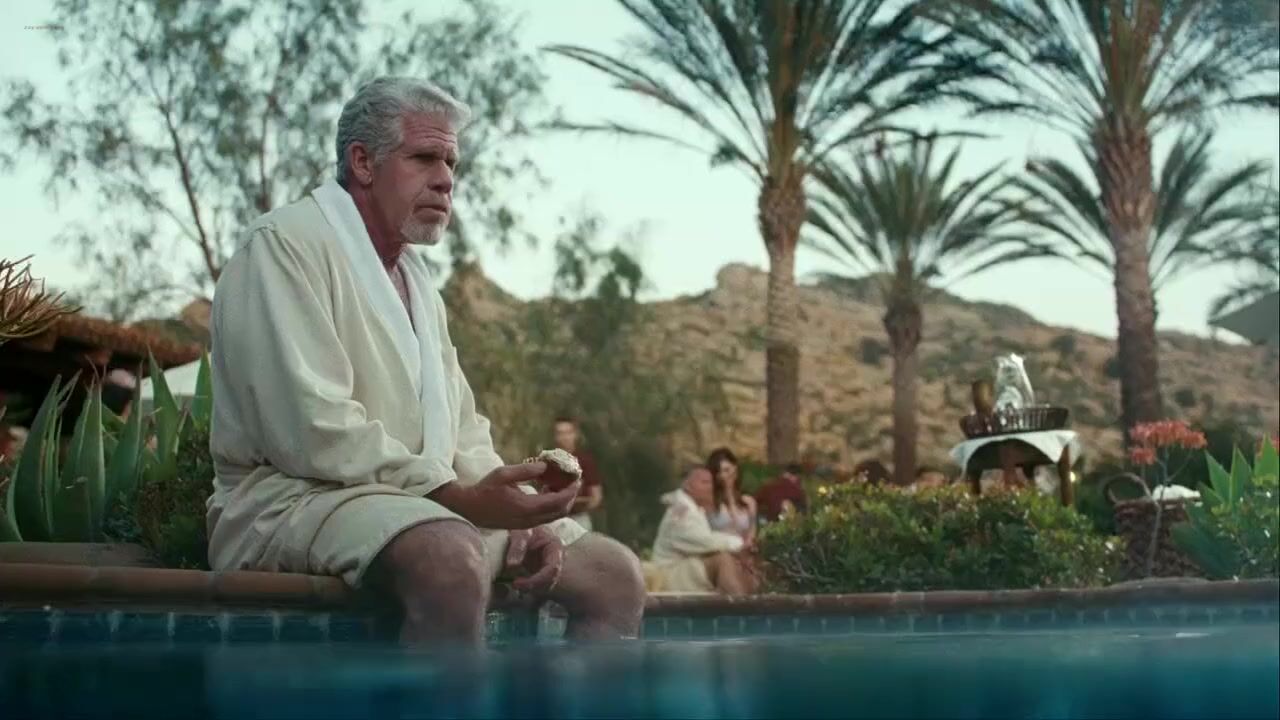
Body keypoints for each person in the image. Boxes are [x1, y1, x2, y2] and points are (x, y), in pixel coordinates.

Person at [206, 76, 645, 648]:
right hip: (294, 499)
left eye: (451, 163)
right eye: (424, 158)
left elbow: (461, 427)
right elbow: (311, 430)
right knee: (450, 560)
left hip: (421, 503)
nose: (445, 179)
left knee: (615, 575)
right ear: (362, 162)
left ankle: (554, 696)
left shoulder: (416, 280)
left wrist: (519, 515)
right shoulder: (284, 245)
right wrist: (459, 499)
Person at [648, 467, 751, 595]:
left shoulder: (694, 509)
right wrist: (738, 543)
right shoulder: (681, 509)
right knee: (722, 560)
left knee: (741, 561)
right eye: (704, 482)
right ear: (688, 486)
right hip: (669, 573)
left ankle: (748, 602)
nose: (710, 487)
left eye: (711, 483)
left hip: (683, 568)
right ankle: (740, 605)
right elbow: (701, 540)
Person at [547, 416, 603, 531]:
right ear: (555, 436)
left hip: (580, 520)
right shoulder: (548, 462)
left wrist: (579, 506)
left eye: (568, 432)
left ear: (575, 434)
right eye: (560, 433)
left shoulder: (585, 461)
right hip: (554, 521)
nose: (565, 437)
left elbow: (596, 497)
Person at [705, 447, 756, 543]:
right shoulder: (708, 502)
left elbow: (752, 534)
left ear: (735, 469)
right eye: (718, 472)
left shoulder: (749, 502)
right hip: (717, 549)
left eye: (727, 470)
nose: (723, 476)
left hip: (743, 549)